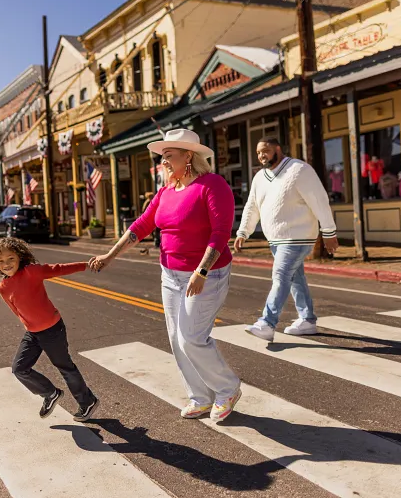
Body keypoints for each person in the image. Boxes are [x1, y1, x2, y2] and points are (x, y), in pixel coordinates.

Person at [89, 129, 241, 422]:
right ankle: (200, 397)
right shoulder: (166, 192)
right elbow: (141, 226)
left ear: (189, 156)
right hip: (170, 275)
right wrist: (110, 255)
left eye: (169, 156)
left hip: (206, 275)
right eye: (162, 157)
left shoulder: (212, 185)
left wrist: (202, 270)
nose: (164, 162)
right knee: (175, 338)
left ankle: (227, 388)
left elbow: (221, 232)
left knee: (191, 338)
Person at [234, 137, 338, 342]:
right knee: (295, 279)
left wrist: (329, 232)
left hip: (297, 237)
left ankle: (267, 323)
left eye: (266, 150)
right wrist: (243, 232)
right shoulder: (260, 177)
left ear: (278, 149)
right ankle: (307, 320)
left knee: (281, 275)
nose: (261, 155)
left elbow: (319, 201)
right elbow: (252, 206)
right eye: (258, 152)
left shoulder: (299, 170)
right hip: (276, 239)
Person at [0, 237, 100, 422]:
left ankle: (87, 402)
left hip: (52, 329)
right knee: (19, 369)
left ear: (19, 257)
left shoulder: (31, 272)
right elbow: (17, 311)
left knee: (65, 367)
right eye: (1, 261)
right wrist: (31, 327)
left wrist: (86, 265)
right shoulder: (3, 288)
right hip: (32, 333)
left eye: (10, 259)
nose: (6, 264)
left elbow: (59, 269)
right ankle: (50, 393)